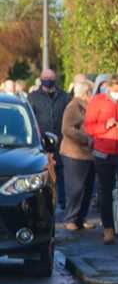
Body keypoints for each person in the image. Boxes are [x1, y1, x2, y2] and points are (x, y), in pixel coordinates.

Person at [83, 72, 118, 245]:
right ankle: (108, 229)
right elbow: (88, 127)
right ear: (109, 87)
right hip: (103, 151)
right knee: (105, 191)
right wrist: (104, 126)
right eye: (116, 90)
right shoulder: (97, 101)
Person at [28, 67, 69, 209]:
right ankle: (44, 204)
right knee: (44, 173)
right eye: (45, 78)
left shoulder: (64, 96)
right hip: (41, 143)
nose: (48, 81)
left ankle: (62, 202)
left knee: (61, 173)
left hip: (61, 141)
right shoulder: (33, 97)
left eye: (50, 78)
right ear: (41, 79)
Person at [60, 77, 97, 232]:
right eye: (91, 91)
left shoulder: (87, 106)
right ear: (86, 92)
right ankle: (70, 218)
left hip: (88, 155)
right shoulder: (74, 106)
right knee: (75, 188)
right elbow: (67, 129)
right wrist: (86, 138)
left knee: (88, 188)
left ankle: (81, 218)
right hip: (74, 154)